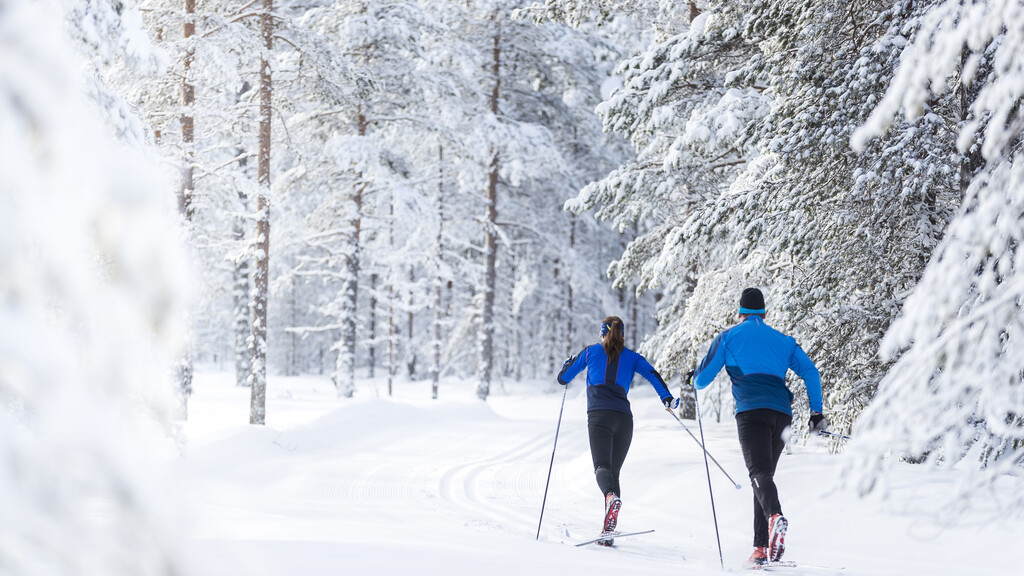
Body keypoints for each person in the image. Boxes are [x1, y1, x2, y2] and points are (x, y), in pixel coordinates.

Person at [688, 288, 826, 566]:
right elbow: (811, 371)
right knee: (763, 477)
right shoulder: (784, 341)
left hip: (751, 412)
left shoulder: (728, 337)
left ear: (740, 313)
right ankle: (761, 548)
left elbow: (702, 380)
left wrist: (693, 377)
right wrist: (816, 412)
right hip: (781, 415)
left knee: (758, 473)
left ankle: (775, 517)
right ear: (764, 312)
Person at [557, 315, 676, 546]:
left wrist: (566, 364)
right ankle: (608, 532)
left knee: (602, 469)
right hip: (624, 420)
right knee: (614, 474)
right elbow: (653, 375)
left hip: (600, 417)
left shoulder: (591, 352)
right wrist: (667, 398)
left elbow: (563, 379)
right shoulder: (632, 357)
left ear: (603, 333)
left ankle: (611, 499)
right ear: (622, 334)